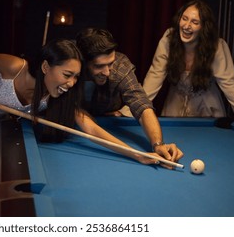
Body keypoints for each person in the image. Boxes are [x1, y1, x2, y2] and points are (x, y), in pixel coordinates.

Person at [0, 39, 174, 217]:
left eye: (76, 76)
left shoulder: (57, 95)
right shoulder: (14, 67)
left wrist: (136, 153)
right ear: (45, 67)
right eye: (67, 74)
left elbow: (91, 128)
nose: (72, 83)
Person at [75, 28, 184, 165]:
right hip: (76, 126)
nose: (107, 72)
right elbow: (86, 123)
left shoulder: (120, 66)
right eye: (99, 66)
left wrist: (158, 144)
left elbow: (141, 104)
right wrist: (136, 155)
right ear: (83, 62)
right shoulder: (72, 68)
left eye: (110, 64)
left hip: (106, 119)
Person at [142, 0, 234, 120]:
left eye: (194, 22)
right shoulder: (169, 39)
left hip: (208, 110)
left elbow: (230, 85)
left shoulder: (217, 47)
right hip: (174, 108)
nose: (186, 26)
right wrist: (132, 109)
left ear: (204, 27)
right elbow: (154, 76)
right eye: (184, 18)